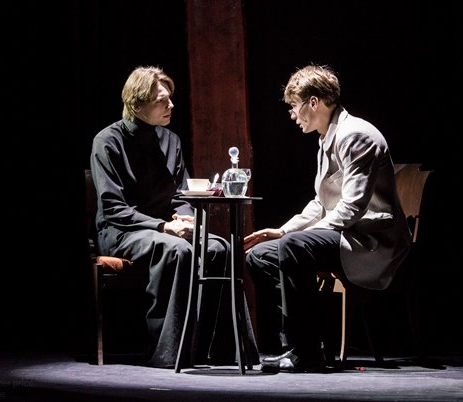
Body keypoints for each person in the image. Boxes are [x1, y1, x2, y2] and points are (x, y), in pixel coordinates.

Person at [244, 64, 411, 373]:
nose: (292, 115)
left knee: (295, 247)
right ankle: (302, 344)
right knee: (260, 255)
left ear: (314, 102)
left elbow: (352, 207)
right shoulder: (326, 138)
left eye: (294, 106)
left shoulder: (355, 135)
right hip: (346, 233)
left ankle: (306, 351)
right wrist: (282, 231)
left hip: (370, 241)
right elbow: (320, 203)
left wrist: (300, 239)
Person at [90, 66, 256, 368]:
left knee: (220, 247)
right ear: (137, 105)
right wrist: (164, 226)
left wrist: (186, 219)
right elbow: (113, 208)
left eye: (170, 98)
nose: (171, 105)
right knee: (178, 250)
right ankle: (169, 352)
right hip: (122, 230)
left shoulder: (170, 140)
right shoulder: (108, 141)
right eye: (161, 101)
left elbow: (181, 195)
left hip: (167, 227)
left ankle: (217, 350)